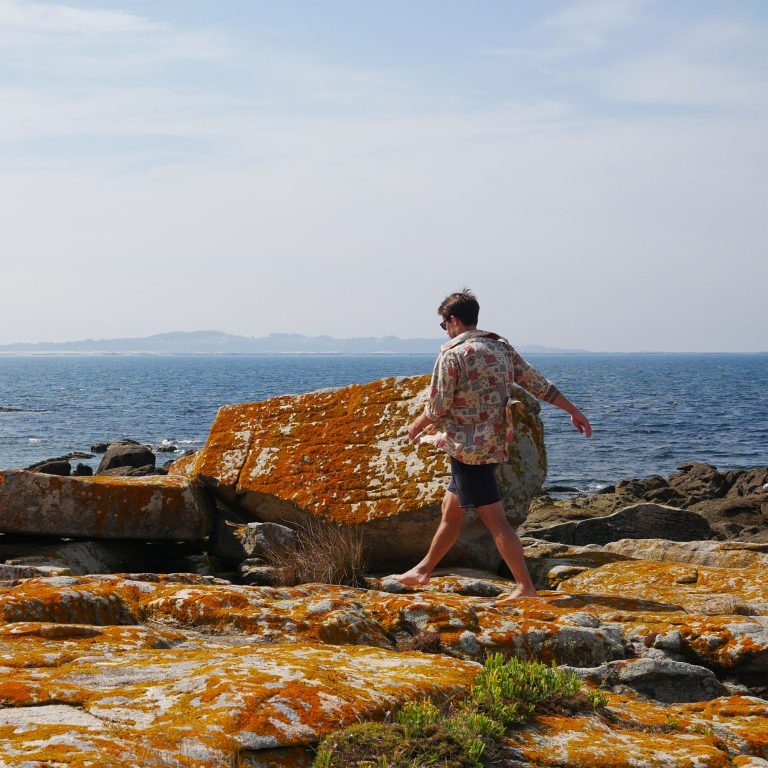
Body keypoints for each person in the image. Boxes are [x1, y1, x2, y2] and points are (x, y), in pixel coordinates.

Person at [393, 288, 592, 597]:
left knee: (496, 522)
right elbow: (537, 383)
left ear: (454, 320)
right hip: (493, 444)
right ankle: (423, 571)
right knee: (451, 509)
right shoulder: (500, 348)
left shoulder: (453, 354)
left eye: (443, 324)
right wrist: (573, 411)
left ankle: (525, 587)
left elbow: (438, 405)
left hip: (467, 451)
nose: (445, 330)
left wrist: (416, 426)